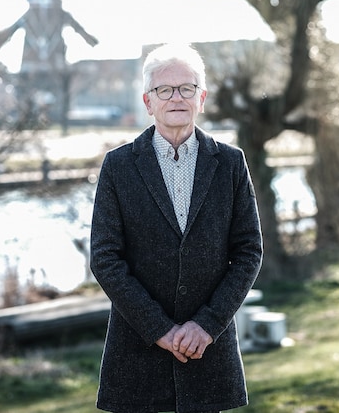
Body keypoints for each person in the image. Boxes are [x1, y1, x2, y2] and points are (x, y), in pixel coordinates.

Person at [89, 43, 263, 413]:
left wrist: (207, 325)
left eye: (186, 88)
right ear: (148, 101)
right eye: (164, 89)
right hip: (136, 353)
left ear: (202, 97)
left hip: (207, 352)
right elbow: (105, 259)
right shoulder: (118, 166)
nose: (176, 97)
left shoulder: (231, 163)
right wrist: (160, 330)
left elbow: (249, 252)